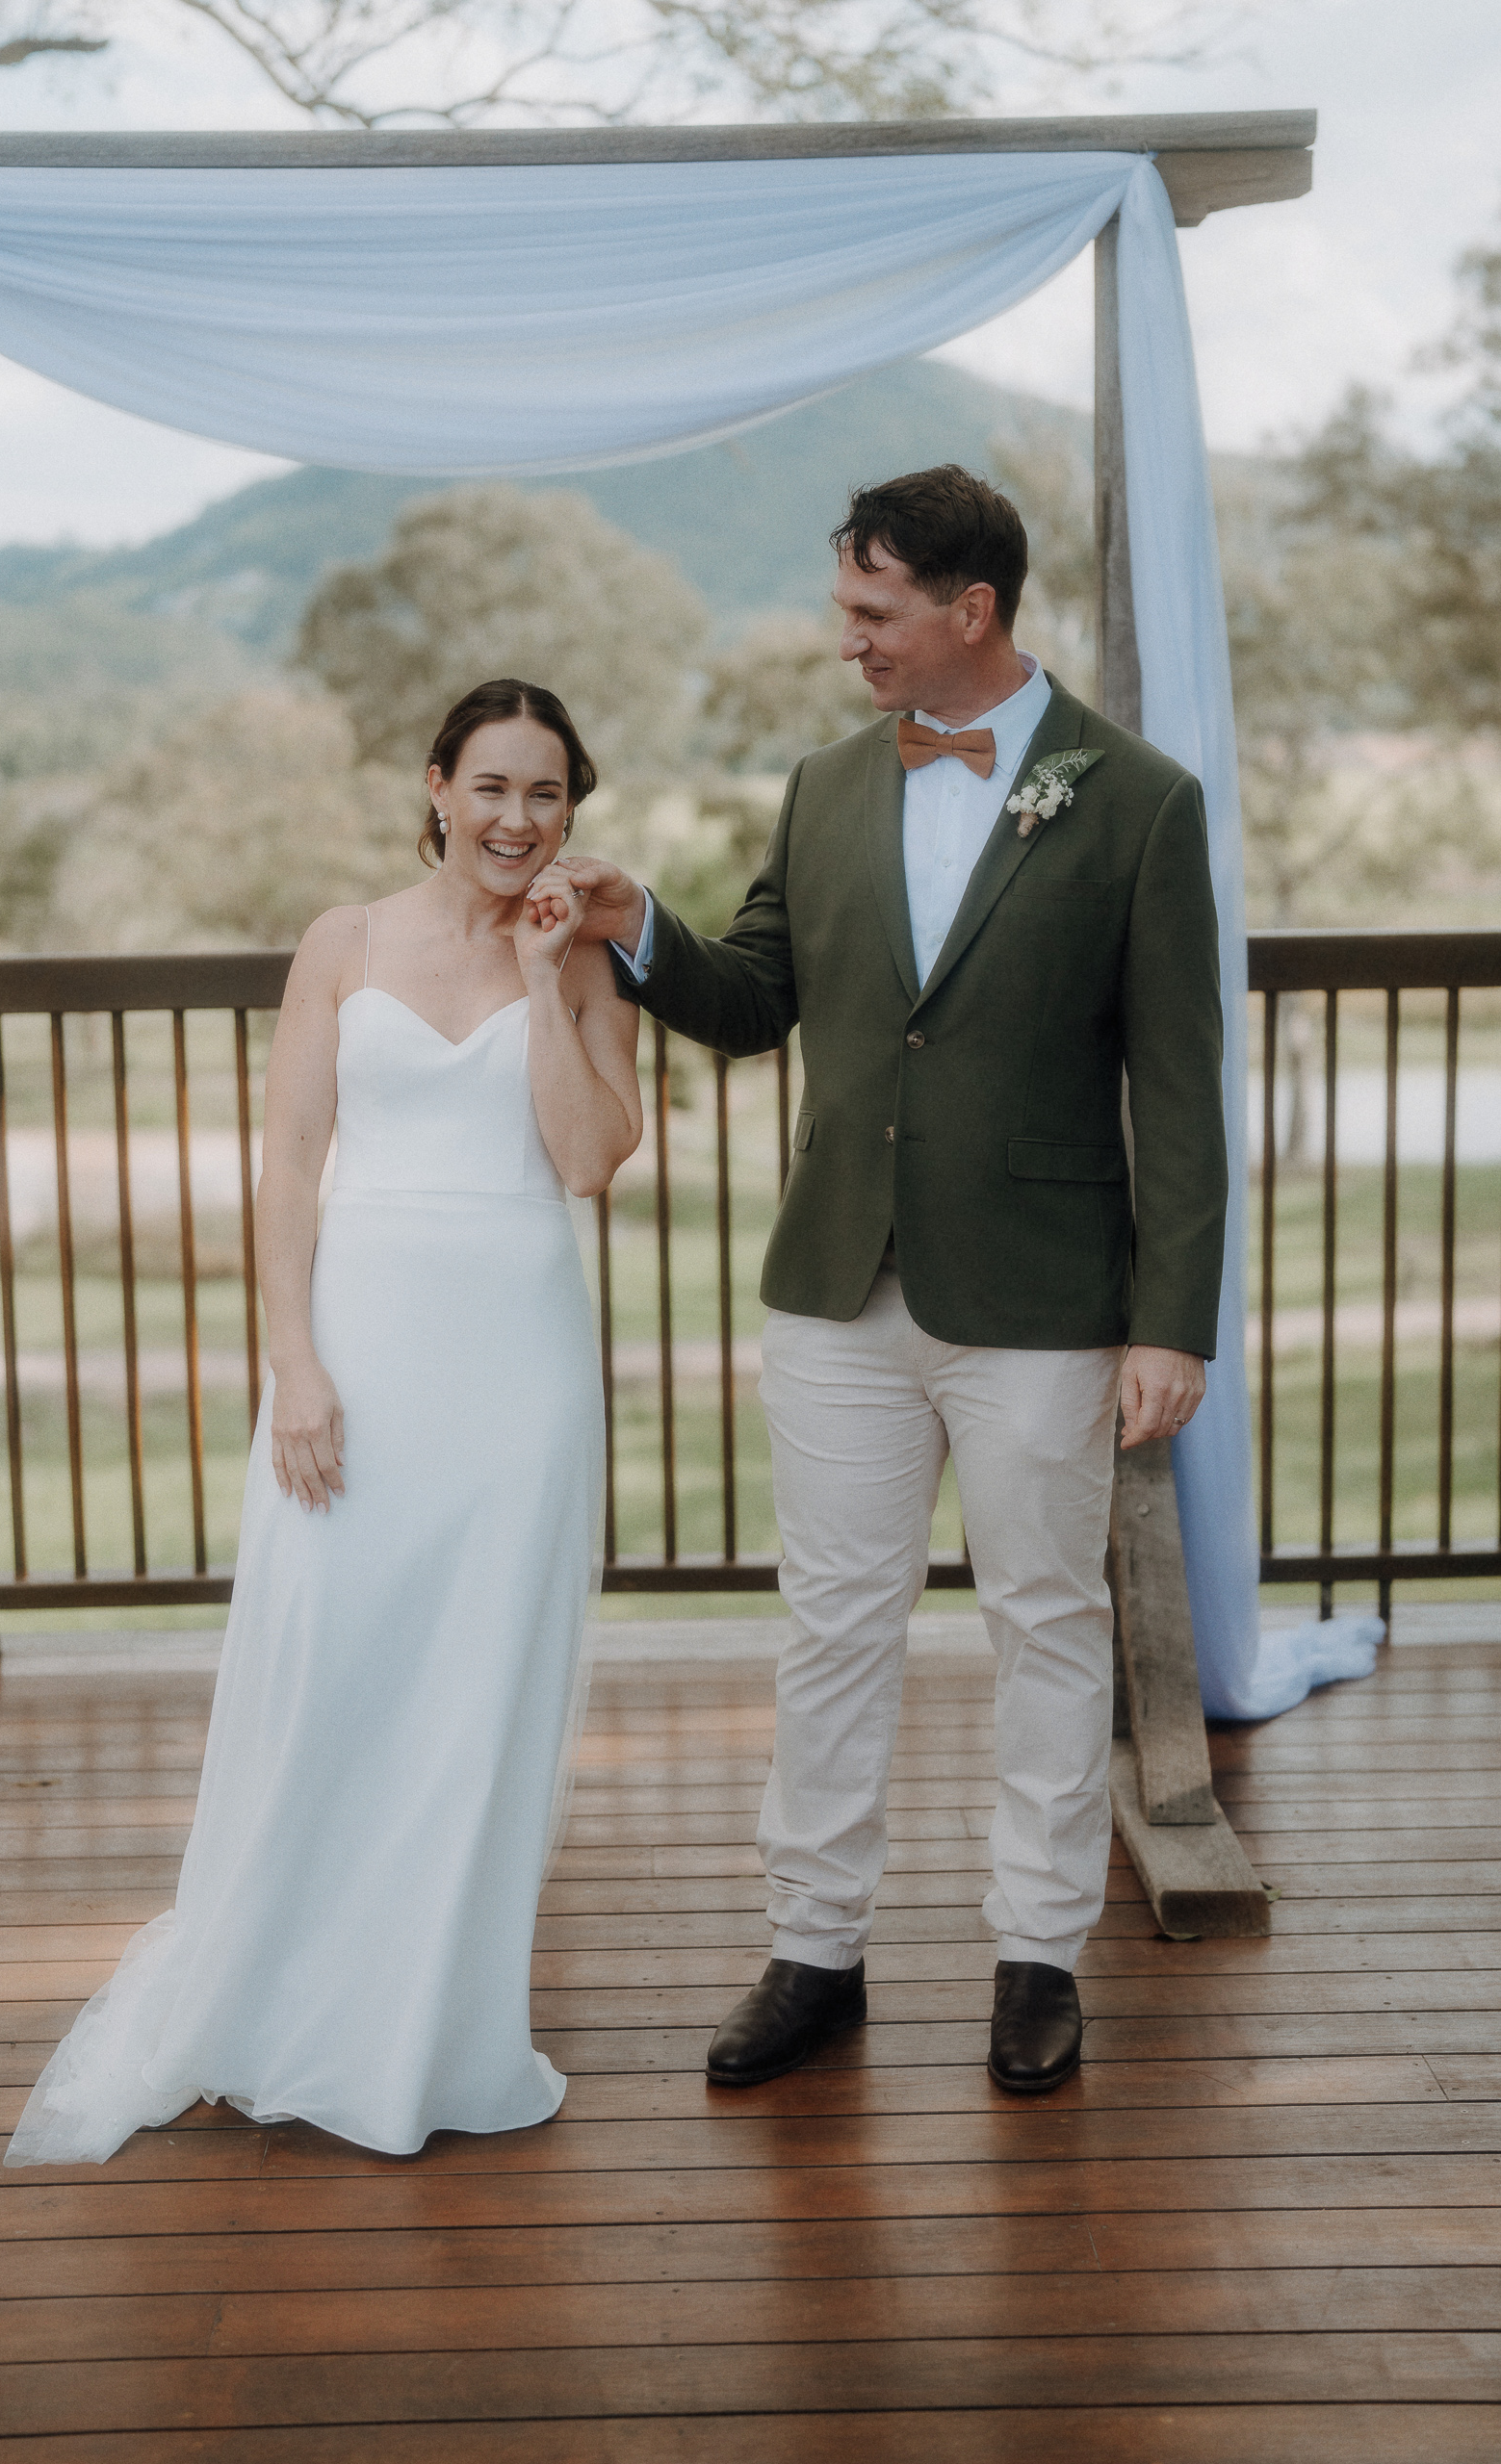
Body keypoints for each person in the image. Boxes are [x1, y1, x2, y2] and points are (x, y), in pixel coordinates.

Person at [529, 466, 1228, 2098]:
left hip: (1049, 1297)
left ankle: (1038, 1957)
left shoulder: (1138, 799)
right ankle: (814, 1951)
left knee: (1048, 1625)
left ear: (969, 612)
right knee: (831, 1626)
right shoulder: (826, 785)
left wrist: (1169, 1317)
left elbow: (1184, 1086)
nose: (846, 638)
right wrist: (642, 930)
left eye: (873, 611)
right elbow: (759, 994)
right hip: (837, 1283)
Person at [6, 679, 639, 2167]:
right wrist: (296, 1364)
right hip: (359, 1346)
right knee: (329, 1666)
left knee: (479, 1694)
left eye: (546, 795)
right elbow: (289, 1168)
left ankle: (437, 2025)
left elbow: (589, 1160)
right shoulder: (340, 945)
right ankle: (279, 1987)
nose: (516, 820)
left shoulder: (591, 956)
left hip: (521, 1361)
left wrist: (549, 985)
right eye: (491, 786)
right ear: (434, 788)